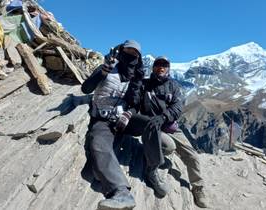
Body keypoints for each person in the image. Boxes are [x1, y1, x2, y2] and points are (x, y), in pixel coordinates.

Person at [81, 40, 167, 210]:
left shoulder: (137, 77)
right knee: (98, 144)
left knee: (151, 124)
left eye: (135, 53)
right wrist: (103, 71)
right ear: (121, 51)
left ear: (138, 57)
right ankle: (121, 193)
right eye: (128, 51)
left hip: (125, 120)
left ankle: (152, 169)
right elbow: (86, 88)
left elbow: (135, 104)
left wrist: (129, 114)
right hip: (103, 120)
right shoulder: (107, 67)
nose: (131, 55)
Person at [139, 56, 209, 208]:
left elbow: (178, 108)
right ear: (153, 68)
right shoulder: (144, 84)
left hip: (170, 126)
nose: (161, 67)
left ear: (168, 68)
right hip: (152, 127)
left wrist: (164, 117)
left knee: (193, 156)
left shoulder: (173, 86)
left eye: (164, 65)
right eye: (158, 65)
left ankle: (198, 189)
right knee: (169, 147)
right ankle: (150, 161)